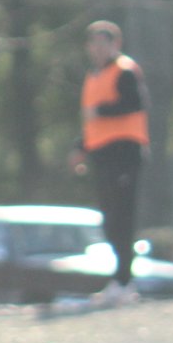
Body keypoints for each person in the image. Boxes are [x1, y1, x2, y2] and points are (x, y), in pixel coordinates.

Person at [68, 20, 149, 306]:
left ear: (116, 44)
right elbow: (92, 124)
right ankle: (119, 279)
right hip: (102, 154)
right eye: (93, 43)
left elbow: (135, 104)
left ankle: (126, 282)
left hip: (124, 152)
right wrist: (80, 148)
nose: (97, 49)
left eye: (103, 43)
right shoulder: (94, 76)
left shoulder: (124, 71)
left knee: (122, 218)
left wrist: (100, 110)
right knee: (109, 220)